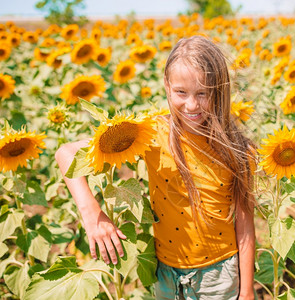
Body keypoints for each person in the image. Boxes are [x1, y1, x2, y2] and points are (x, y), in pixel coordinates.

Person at [55, 35, 257, 300]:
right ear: (167, 85)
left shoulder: (234, 147)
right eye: (181, 92)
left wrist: (247, 291)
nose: (192, 105)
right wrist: (92, 214)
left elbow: (245, 224)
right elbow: (66, 153)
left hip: (219, 275)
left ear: (219, 90)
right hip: (166, 274)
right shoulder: (151, 133)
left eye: (203, 93)